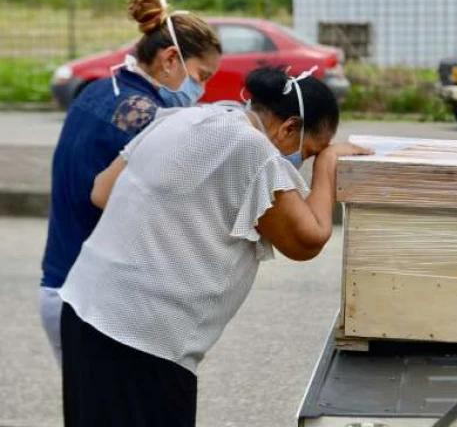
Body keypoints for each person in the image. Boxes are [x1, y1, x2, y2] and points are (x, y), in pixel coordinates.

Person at [57, 66, 373, 426]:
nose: (305, 161)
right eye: (311, 151)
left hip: (84, 309)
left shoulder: (185, 116)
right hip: (143, 341)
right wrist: (329, 167)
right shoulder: (252, 150)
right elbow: (307, 240)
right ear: (289, 127)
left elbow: (102, 190)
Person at [38, 0, 222, 366]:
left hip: (59, 284)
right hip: (93, 305)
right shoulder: (147, 117)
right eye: (202, 77)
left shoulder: (98, 91)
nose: (201, 90)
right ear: (171, 58)